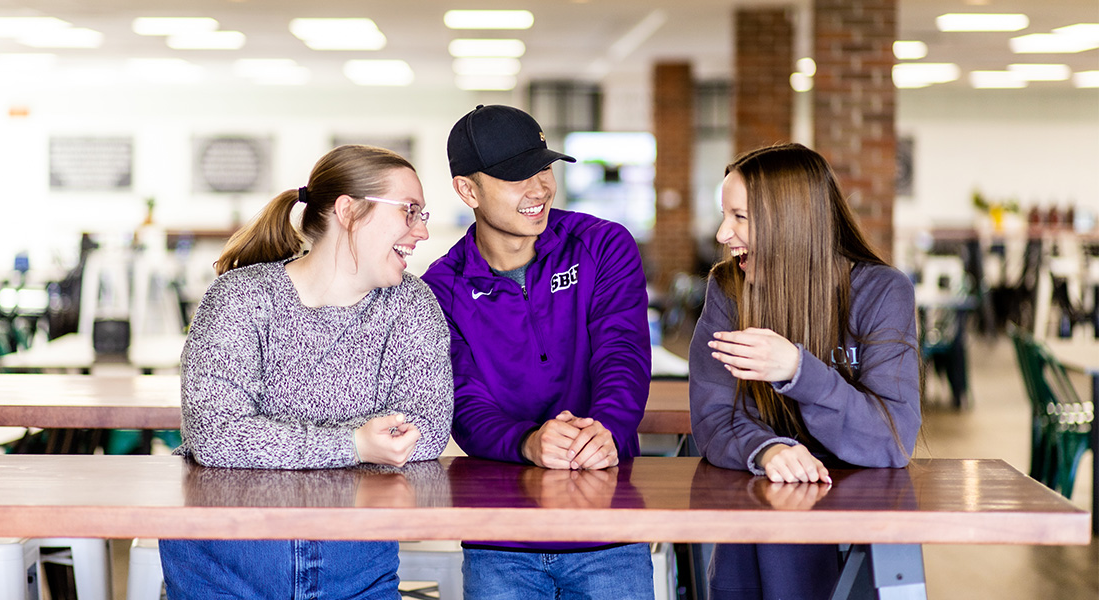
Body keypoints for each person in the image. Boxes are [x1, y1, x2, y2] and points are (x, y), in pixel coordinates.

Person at [159, 144, 455, 600]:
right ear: (348, 211)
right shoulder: (240, 298)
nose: (422, 231)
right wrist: (355, 444)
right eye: (409, 211)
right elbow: (216, 435)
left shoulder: (412, 305)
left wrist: (267, 439)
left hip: (356, 564)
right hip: (225, 563)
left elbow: (427, 431)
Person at [422, 104, 655, 600]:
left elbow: (622, 355)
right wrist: (528, 442)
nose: (540, 188)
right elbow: (464, 402)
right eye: (516, 176)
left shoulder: (603, 246)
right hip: (501, 539)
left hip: (607, 526)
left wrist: (607, 431)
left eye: (544, 167)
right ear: (468, 191)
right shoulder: (440, 290)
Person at [688, 142, 921, 600]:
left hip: (860, 533)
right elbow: (714, 414)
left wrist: (797, 369)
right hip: (758, 530)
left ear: (790, 221)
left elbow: (891, 439)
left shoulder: (881, 291)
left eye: (740, 217)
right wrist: (768, 450)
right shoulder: (728, 288)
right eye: (724, 214)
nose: (722, 233)